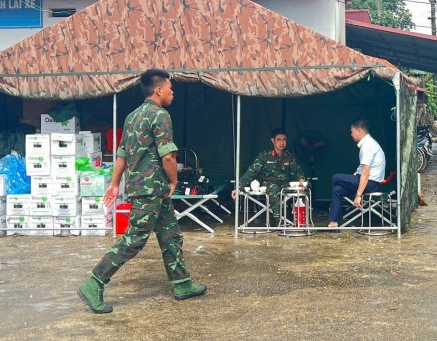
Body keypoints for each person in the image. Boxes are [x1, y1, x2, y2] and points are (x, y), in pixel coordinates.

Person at [77, 69, 207, 313]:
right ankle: (94, 282)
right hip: (152, 190)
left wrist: (115, 184)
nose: (172, 93)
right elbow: (168, 156)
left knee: (171, 235)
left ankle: (182, 283)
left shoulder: (132, 117)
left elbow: (122, 154)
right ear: (158, 90)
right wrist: (174, 181)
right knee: (133, 240)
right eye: (170, 88)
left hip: (145, 189)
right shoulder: (160, 115)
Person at [231, 128, 306, 217]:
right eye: (279, 140)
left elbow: (297, 171)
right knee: (274, 189)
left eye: (284, 140)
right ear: (273, 141)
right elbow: (251, 172)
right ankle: (278, 220)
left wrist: (301, 180)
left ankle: (300, 216)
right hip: (269, 184)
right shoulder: (264, 156)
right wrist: (238, 187)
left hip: (285, 184)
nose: (282, 143)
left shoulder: (289, 156)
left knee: (307, 186)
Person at [326, 118, 386, 227]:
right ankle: (333, 221)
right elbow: (363, 168)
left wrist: (358, 195)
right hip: (370, 182)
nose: (351, 134)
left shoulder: (367, 146)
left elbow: (366, 173)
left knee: (336, 178)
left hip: (370, 183)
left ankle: (333, 209)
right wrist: (356, 173)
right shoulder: (369, 143)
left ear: (359, 131)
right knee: (337, 190)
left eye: (352, 131)